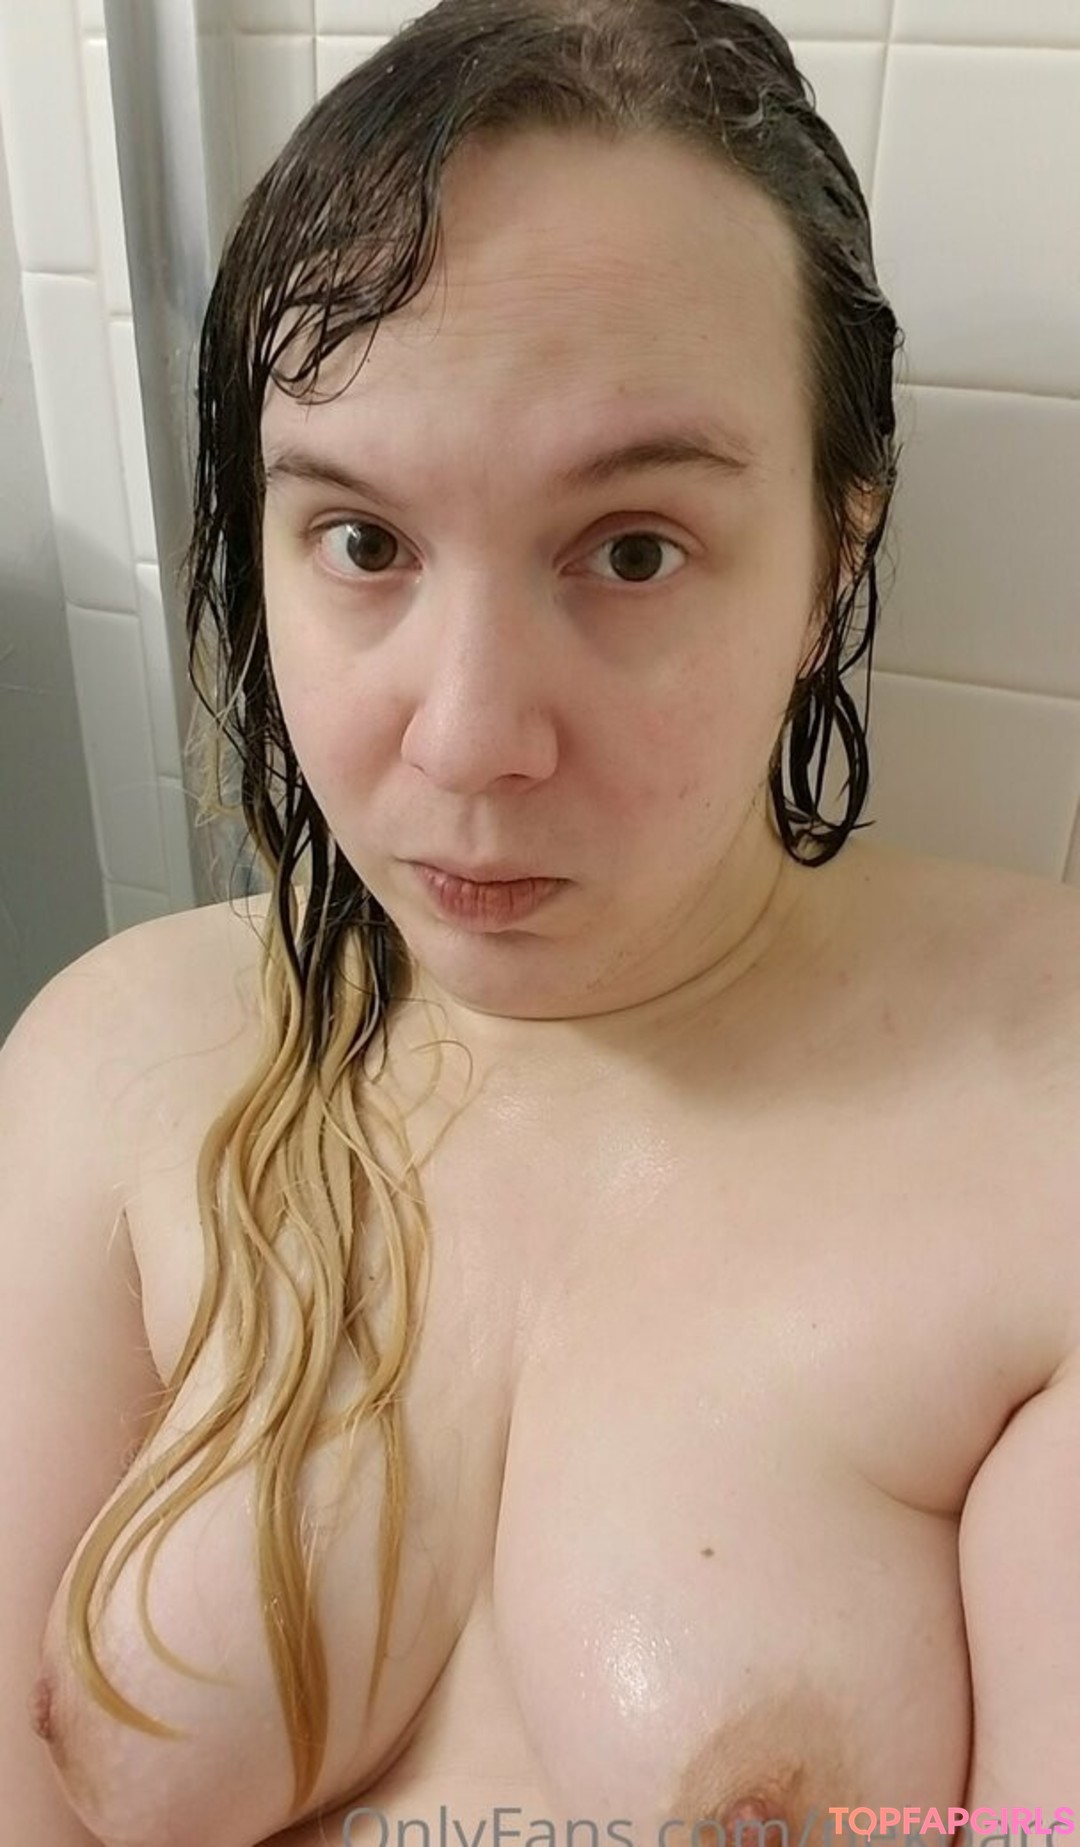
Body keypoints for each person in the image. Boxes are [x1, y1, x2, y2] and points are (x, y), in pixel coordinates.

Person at [3, 1, 1078, 1844]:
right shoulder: (111, 1063)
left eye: (632, 549)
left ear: (833, 557)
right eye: (362, 543)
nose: (470, 737)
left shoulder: (1041, 1122)